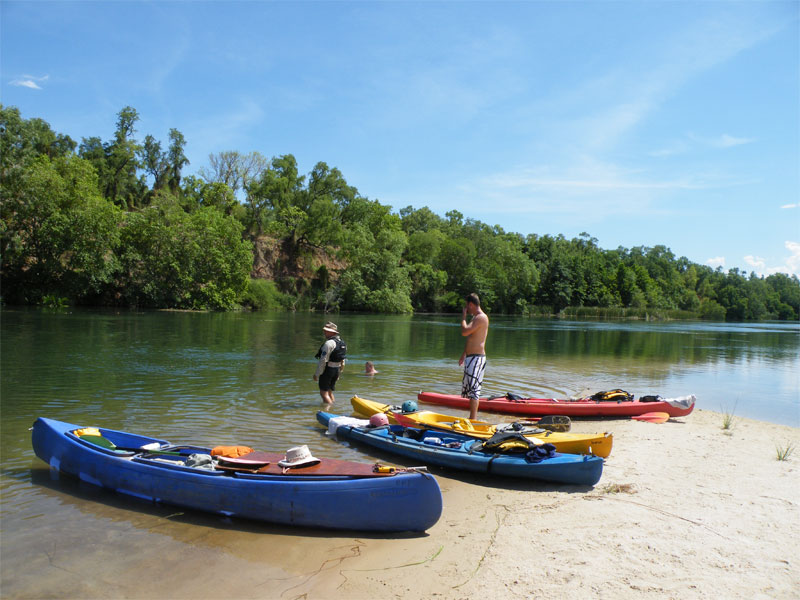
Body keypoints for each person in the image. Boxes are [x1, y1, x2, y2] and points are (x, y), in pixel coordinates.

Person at [458, 293, 489, 420]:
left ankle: (473, 419)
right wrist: (464, 354)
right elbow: (470, 338)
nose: (466, 308)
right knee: (470, 390)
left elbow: (464, 332)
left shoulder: (481, 318)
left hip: (477, 358)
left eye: (467, 306)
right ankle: (472, 417)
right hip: (471, 358)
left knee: (474, 391)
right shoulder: (475, 318)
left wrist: (463, 317)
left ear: (471, 304)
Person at [313, 322, 346, 405]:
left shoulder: (329, 343)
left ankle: (329, 410)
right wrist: (339, 373)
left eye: (327, 331)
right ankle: (333, 406)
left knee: (323, 393)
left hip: (328, 370)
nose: (324, 332)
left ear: (333, 332)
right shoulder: (342, 343)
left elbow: (323, 360)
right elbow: (343, 360)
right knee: (330, 392)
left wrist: (317, 374)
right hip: (336, 370)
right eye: (325, 330)